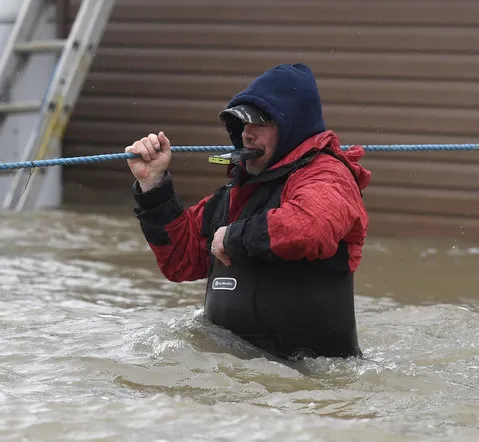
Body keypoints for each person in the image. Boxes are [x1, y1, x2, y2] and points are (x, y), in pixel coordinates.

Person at [126, 63, 371, 360]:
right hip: (236, 384)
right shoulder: (236, 193)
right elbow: (179, 260)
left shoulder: (328, 175)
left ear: (291, 125)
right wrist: (153, 184)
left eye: (260, 124)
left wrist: (233, 238)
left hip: (308, 386)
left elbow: (311, 227)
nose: (247, 135)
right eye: (242, 124)